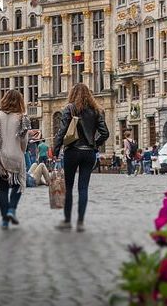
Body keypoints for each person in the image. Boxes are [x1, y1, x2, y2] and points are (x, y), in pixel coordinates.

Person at [54, 83, 109, 232]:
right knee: (83, 188)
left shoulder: (70, 109)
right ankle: (80, 222)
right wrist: (95, 144)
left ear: (72, 94)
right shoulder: (96, 111)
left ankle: (67, 220)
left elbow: (62, 131)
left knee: (69, 187)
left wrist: (56, 149)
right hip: (88, 153)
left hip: (72, 151)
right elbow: (105, 133)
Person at [0, 90, 30, 230]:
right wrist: (22, 150)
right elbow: (24, 140)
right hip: (16, 155)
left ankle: (5, 220)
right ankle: (12, 209)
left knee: (2, 189)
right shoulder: (22, 117)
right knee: (18, 184)